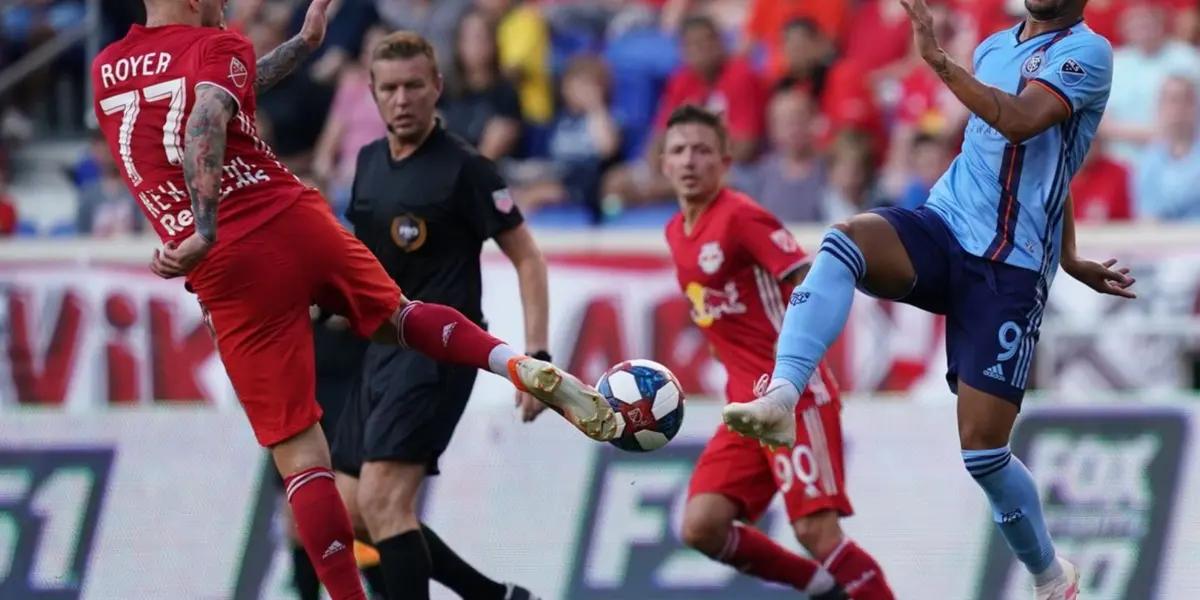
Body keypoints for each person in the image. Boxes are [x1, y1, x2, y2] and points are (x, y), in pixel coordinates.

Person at [89, 3, 617, 599]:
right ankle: (513, 364)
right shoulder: (223, 52)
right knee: (399, 324)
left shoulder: (107, 65)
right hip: (289, 213)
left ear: (436, 88)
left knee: (306, 465)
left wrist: (203, 229)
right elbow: (209, 107)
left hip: (227, 264)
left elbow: (202, 101)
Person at [724, 1, 1134, 599]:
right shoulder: (995, 46)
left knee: (984, 454)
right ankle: (784, 393)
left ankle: (1052, 579)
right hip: (945, 223)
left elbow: (1025, 126)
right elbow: (1025, 156)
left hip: (1009, 269)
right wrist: (1072, 254)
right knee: (845, 241)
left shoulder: (1088, 53)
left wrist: (939, 63)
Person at [329, 32, 545, 600]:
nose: (402, 99)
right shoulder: (369, 161)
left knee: (383, 502)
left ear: (437, 88)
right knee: (351, 511)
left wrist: (537, 356)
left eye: (414, 86)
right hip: (379, 349)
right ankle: (492, 596)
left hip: (437, 354)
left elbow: (527, 257)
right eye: (390, 88)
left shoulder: (466, 169)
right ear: (372, 94)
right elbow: (363, 253)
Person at [662, 105, 895, 600]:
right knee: (701, 525)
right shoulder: (674, 233)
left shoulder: (742, 216)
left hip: (794, 397)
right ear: (663, 163)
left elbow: (806, 282)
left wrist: (803, 367)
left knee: (816, 532)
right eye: (678, 150)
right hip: (743, 407)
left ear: (726, 161)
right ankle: (823, 589)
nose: (689, 161)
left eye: (702, 150)